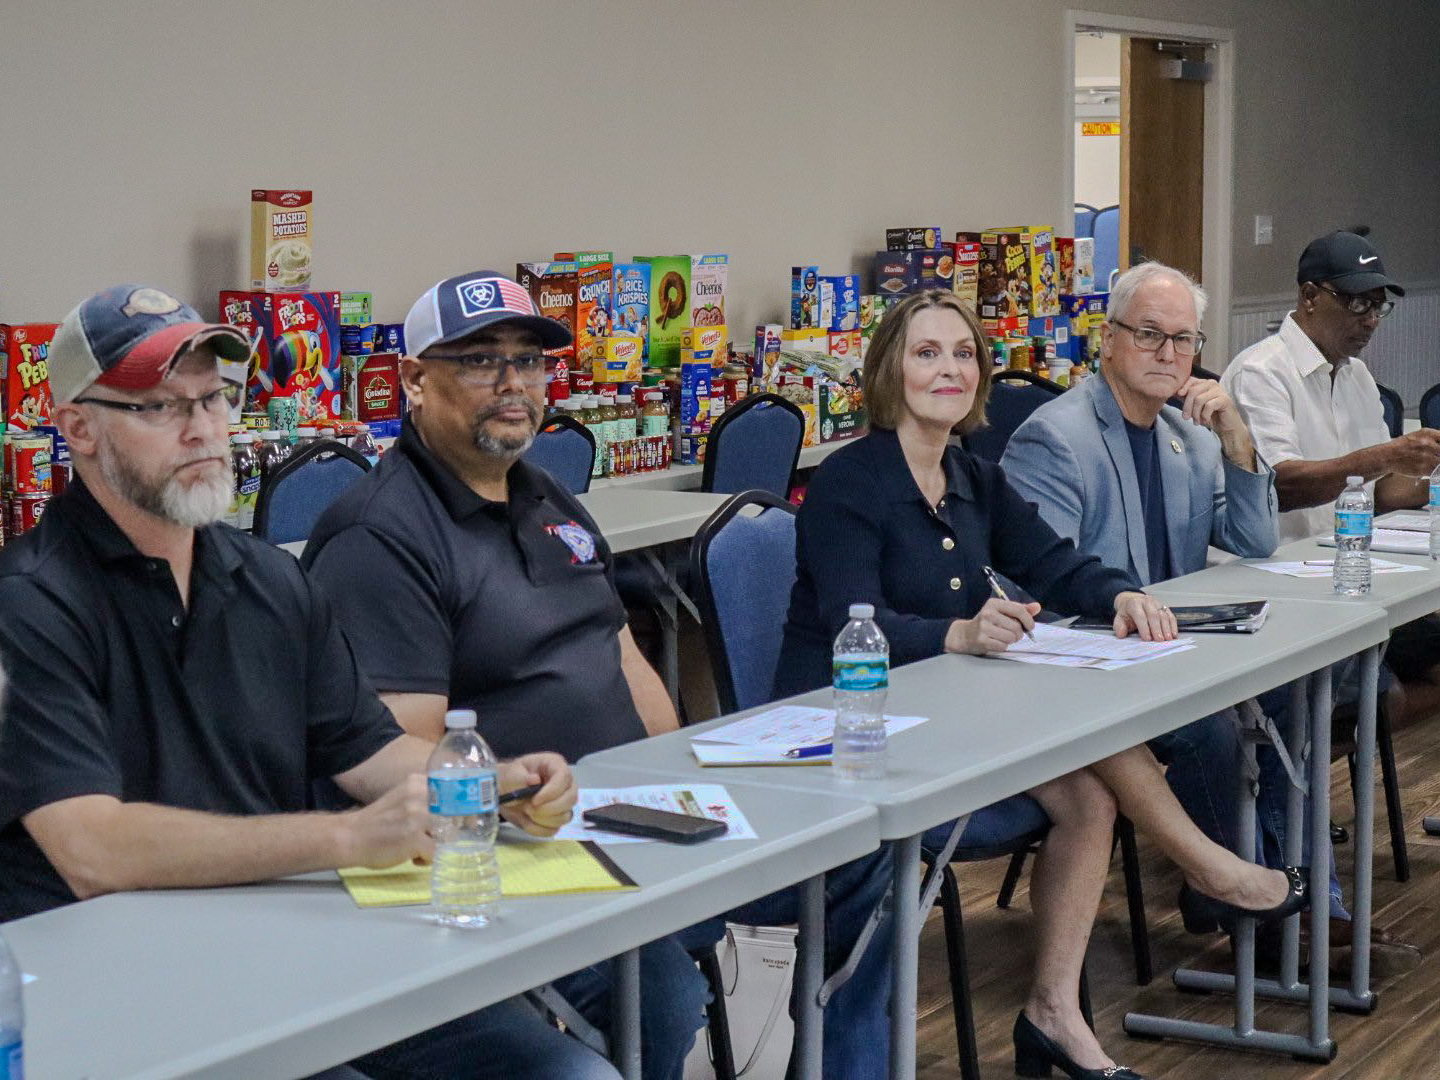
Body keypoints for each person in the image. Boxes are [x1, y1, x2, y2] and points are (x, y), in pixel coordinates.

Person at [0, 285, 618, 1080]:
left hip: (289, 948)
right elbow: (92, 849)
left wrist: (485, 782)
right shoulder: (28, 603)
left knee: (571, 1075)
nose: (201, 428)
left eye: (213, 399)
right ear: (78, 427)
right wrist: (345, 840)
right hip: (115, 991)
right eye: (158, 407)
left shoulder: (266, 581)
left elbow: (366, 751)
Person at [303, 271, 892, 1080]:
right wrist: (523, 797)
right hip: (524, 851)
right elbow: (402, 754)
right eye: (479, 361)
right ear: (413, 379)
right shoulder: (380, 536)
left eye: (529, 361)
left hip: (632, 816)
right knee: (656, 989)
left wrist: (688, 785)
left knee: (868, 854)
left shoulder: (549, 498)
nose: (513, 383)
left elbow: (622, 655)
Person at [774, 289, 1310, 1080]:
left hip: (955, 715)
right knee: (1081, 730)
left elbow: (1053, 561)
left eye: (963, 354)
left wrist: (1121, 594)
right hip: (857, 731)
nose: (948, 369)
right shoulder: (849, 481)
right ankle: (1212, 870)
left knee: (1089, 796)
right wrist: (955, 634)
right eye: (927, 353)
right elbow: (853, 620)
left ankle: (1053, 1012)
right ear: (890, 369)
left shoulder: (968, 472)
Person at [1000, 261, 1319, 932]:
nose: (1168, 354)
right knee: (1210, 730)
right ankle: (1248, 909)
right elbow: (1040, 582)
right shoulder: (1056, 437)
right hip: (1093, 660)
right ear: (1108, 339)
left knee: (1300, 689)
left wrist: (1237, 436)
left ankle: (1304, 893)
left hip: (1175, 650)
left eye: (1183, 339)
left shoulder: (1191, 438)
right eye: (1149, 334)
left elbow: (1255, 541)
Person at [1221, 230, 1440, 727]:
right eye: (1357, 301)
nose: (1369, 319)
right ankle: (1315, 788)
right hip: (1278, 586)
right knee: (1382, 703)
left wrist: (1428, 477)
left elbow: (1383, 492)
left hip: (1347, 579)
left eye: (1378, 306)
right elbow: (1283, 487)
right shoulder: (1261, 373)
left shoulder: (1356, 375)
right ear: (1310, 297)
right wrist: (1387, 453)